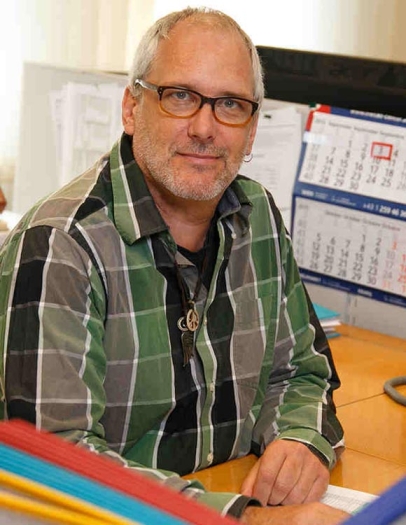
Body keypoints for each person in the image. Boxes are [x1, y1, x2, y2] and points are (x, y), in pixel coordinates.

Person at [0, 7, 348, 524]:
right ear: (132, 108)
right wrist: (243, 519)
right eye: (180, 96)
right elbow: (55, 467)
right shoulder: (59, 246)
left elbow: (302, 370)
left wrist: (300, 438)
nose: (205, 128)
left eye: (230, 105)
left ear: (252, 129)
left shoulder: (257, 217)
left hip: (225, 491)